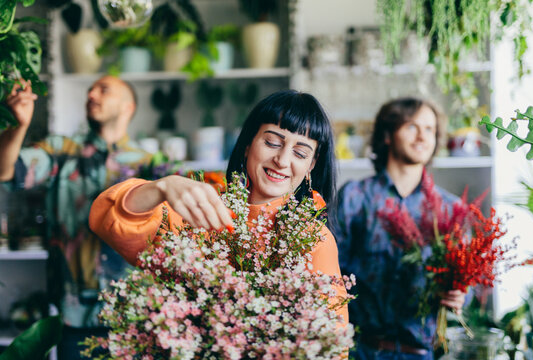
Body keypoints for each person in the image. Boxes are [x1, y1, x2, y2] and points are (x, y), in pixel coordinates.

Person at [89, 89, 348, 326]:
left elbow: (330, 344)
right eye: (272, 142)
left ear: (311, 167)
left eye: (300, 153)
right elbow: (109, 221)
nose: (282, 160)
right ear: (248, 145)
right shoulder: (202, 212)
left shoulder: (312, 240)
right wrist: (161, 188)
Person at [0, 76, 151, 357]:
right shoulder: (62, 151)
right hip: (75, 318)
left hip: (136, 317)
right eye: (90, 89)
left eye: (103, 89)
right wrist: (18, 126)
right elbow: (6, 171)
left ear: (128, 106)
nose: (92, 93)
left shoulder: (152, 164)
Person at [335, 97, 466, 359]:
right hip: (360, 350)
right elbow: (329, 276)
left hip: (422, 352)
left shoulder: (450, 209)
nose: (422, 137)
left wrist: (460, 295)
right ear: (387, 135)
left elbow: (463, 284)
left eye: (430, 129)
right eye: (411, 127)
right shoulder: (354, 197)